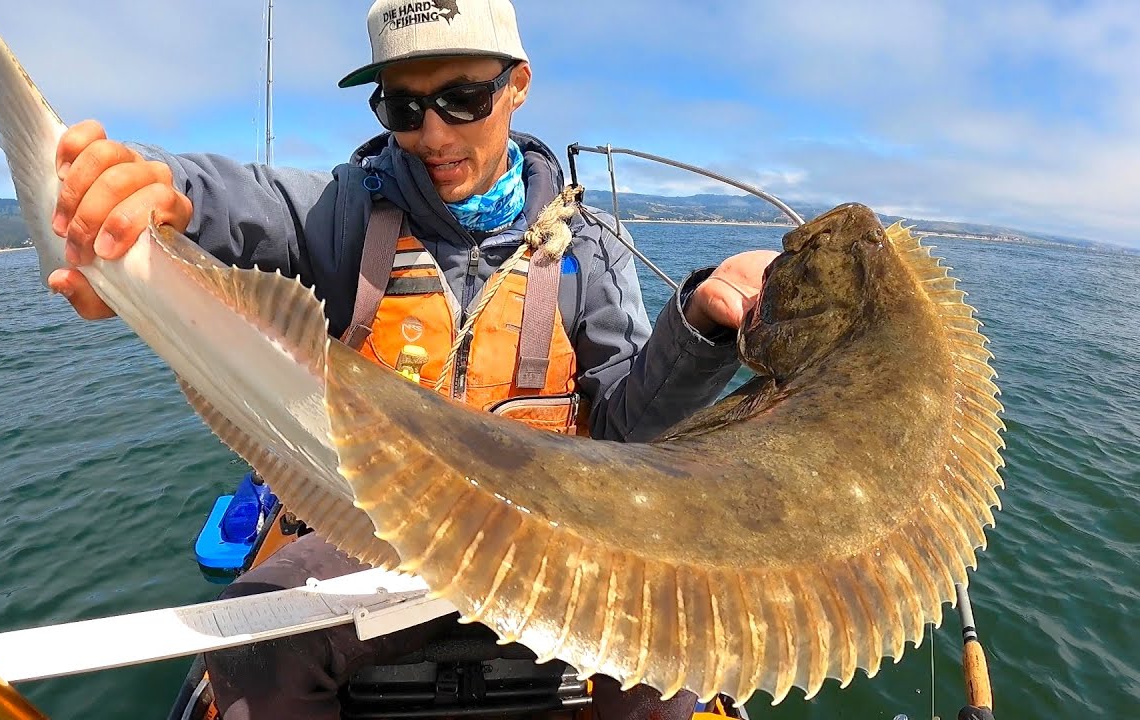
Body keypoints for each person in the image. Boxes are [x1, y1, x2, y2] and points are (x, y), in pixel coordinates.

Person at [49, 1, 777, 717]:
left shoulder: (589, 243)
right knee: (254, 639)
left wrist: (703, 325)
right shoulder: (342, 214)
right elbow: (238, 198)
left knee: (682, 639)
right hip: (378, 534)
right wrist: (149, 187)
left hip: (551, 538)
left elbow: (623, 426)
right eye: (402, 106)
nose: (430, 134)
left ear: (517, 85)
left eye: (462, 98)